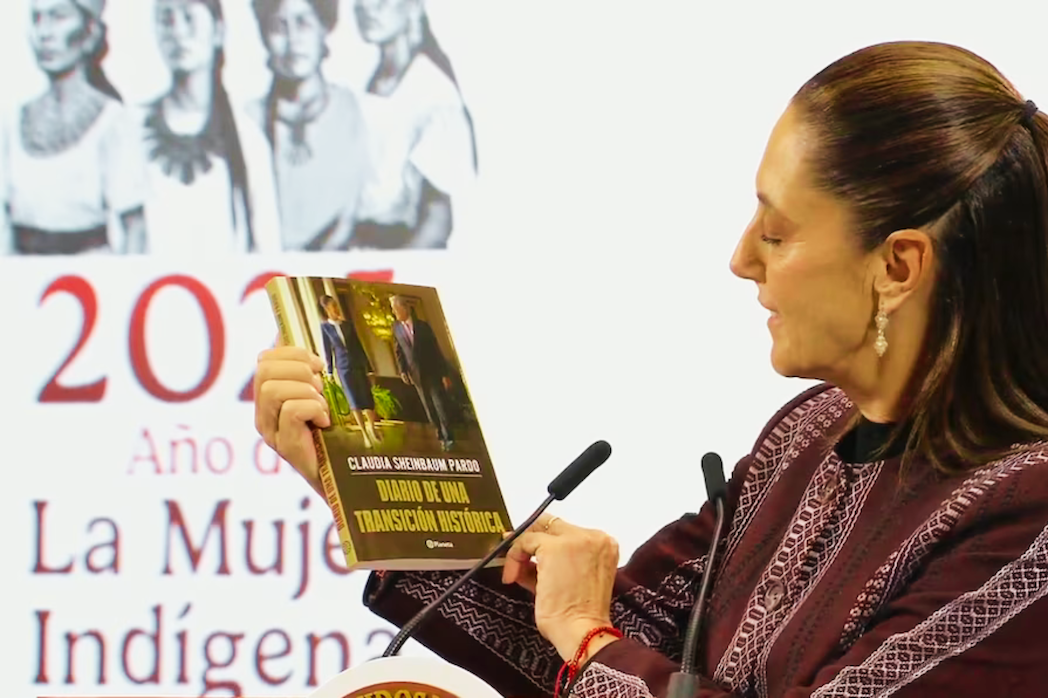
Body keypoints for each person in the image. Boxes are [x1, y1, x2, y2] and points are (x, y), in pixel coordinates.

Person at [253, 40, 1048, 697]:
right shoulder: (804, 434)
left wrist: (587, 634)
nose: (741, 260)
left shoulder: (1026, 518)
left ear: (900, 265)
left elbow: (598, 656)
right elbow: (598, 662)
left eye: (775, 233)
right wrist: (371, 483)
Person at [135, 0, 282, 255]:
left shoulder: (249, 140)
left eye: (189, 18)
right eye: (166, 20)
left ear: (218, 31)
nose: (178, 32)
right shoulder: (131, 130)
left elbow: (267, 249)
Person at [1, 0, 146, 255]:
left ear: (90, 32)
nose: (44, 33)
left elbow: (135, 228)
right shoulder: (12, 121)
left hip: (90, 279)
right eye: (37, 19)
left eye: (58, 17)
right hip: (22, 280)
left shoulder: (113, 121)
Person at [347, 0, 477, 249]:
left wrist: (394, 280)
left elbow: (437, 221)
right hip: (360, 249)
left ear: (414, 6)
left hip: (402, 254)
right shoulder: (364, 83)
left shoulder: (432, 93)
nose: (367, 7)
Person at [247, 0, 372, 251]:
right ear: (264, 37)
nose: (293, 39)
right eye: (279, 27)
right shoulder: (247, 121)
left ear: (323, 28)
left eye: (303, 23)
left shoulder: (358, 111)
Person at [389, 295, 454, 450]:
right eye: (393, 310)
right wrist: (403, 371)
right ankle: (439, 434)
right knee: (429, 407)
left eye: (396, 309)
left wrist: (444, 373)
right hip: (415, 374)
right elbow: (398, 351)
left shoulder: (423, 326)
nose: (394, 312)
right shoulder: (396, 328)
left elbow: (435, 350)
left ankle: (449, 437)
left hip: (432, 372)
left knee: (440, 404)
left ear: (405, 308)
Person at [318, 294, 382, 447]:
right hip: (343, 368)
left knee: (367, 399)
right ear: (327, 309)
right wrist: (330, 371)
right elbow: (328, 351)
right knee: (354, 401)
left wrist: (369, 368)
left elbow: (359, 347)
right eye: (333, 306)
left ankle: (372, 428)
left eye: (337, 305)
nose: (336, 308)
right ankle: (364, 434)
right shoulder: (325, 328)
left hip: (358, 365)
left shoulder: (348, 325)